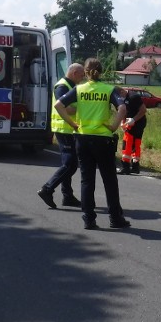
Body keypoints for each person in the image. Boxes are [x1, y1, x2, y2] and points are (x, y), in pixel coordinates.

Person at [54, 58, 131, 230]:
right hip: (103, 139)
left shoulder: (79, 89)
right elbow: (123, 108)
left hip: (82, 138)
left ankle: (89, 219)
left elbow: (59, 105)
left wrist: (72, 124)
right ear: (101, 71)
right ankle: (115, 218)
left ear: (86, 72)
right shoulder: (108, 89)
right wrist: (113, 126)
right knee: (109, 180)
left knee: (86, 180)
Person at [37, 62, 85, 209]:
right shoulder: (62, 86)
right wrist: (83, 109)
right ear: (74, 73)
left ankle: (67, 196)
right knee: (70, 164)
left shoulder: (70, 86)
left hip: (70, 129)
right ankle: (47, 189)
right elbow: (64, 107)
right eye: (82, 74)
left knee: (68, 163)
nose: (83, 77)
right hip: (64, 129)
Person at [118, 88, 147, 175]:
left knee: (127, 143)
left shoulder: (133, 97)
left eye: (120, 96)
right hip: (131, 122)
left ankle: (125, 166)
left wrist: (134, 120)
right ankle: (135, 166)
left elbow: (143, 110)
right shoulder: (124, 98)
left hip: (137, 123)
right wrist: (122, 122)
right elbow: (125, 111)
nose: (119, 98)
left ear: (122, 91)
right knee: (136, 143)